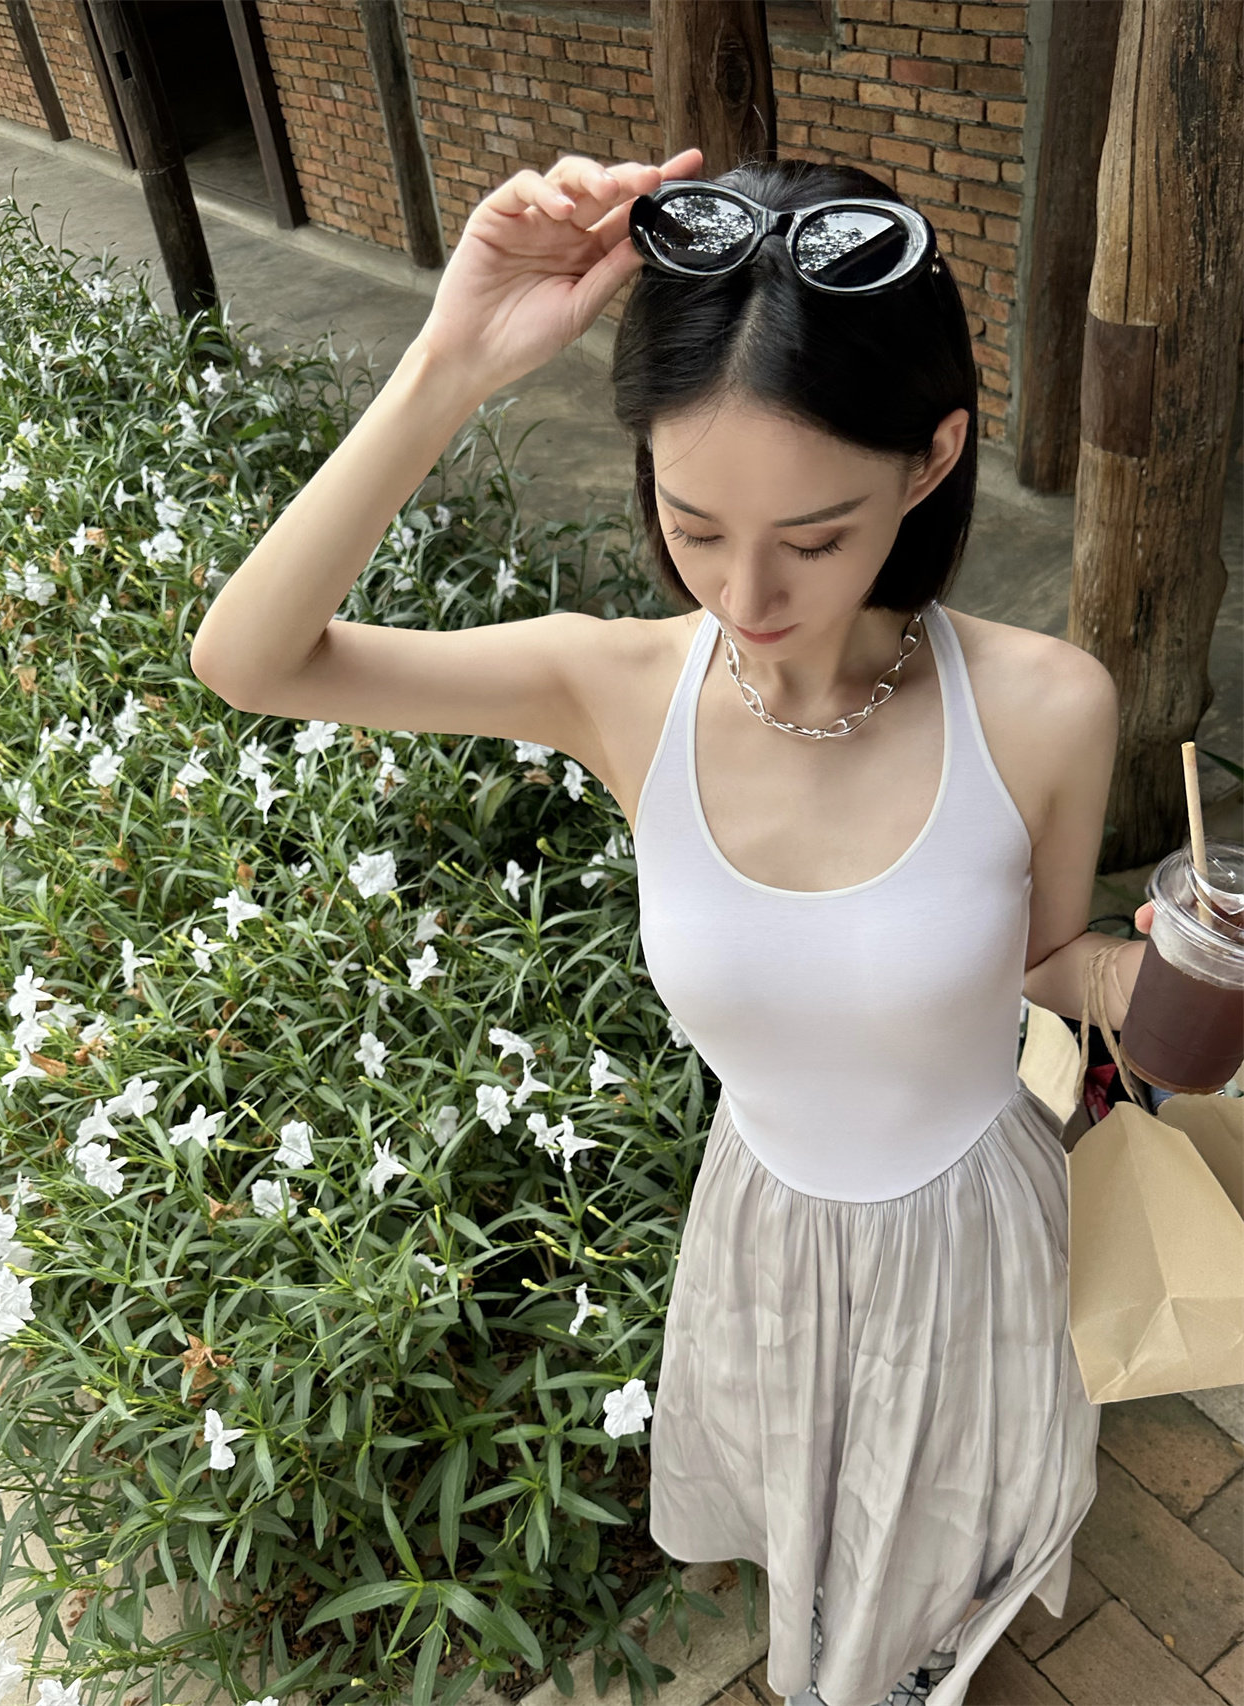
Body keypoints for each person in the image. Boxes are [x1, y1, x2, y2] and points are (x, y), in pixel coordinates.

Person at [190, 147, 1154, 1706]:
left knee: (932, 1565)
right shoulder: (620, 686)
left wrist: (1152, 974)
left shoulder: (1046, 705)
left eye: (815, 536)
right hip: (766, 1227)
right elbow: (251, 657)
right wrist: (451, 362)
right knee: (815, 1535)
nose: (745, 592)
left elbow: (1046, 965)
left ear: (932, 460)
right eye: (692, 521)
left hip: (968, 1233)